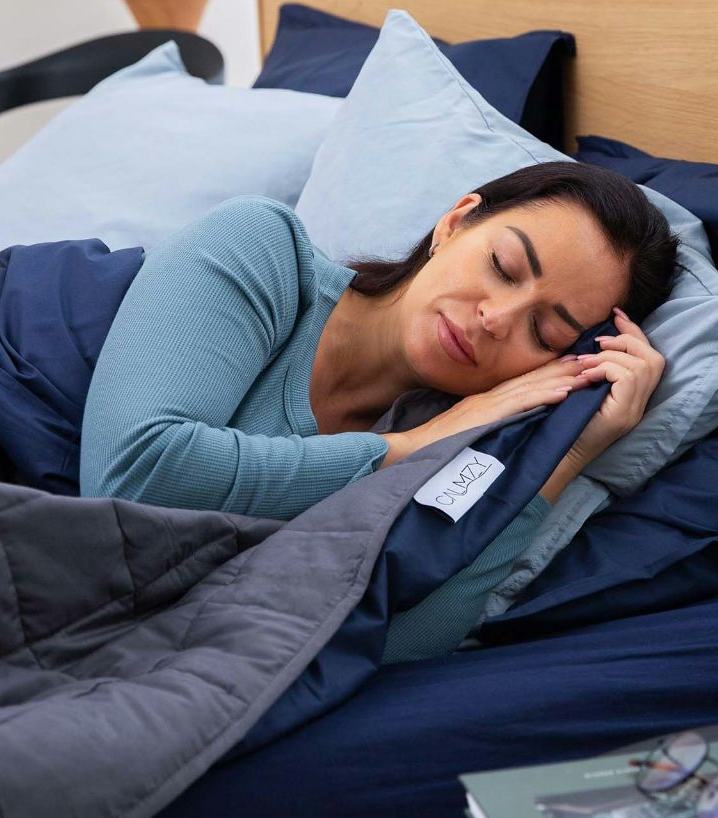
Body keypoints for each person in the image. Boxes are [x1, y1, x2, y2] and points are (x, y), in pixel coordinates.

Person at [78, 161, 679, 660]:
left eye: (545, 332)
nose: (495, 319)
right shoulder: (260, 247)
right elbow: (134, 479)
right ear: (455, 222)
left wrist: (567, 455)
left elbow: (396, 641)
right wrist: (405, 451)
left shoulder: (463, 452)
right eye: (502, 267)